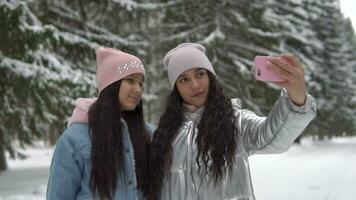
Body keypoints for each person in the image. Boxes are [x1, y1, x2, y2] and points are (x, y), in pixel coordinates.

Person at [149, 43, 317, 200]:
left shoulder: (236, 122)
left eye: (200, 74)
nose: (194, 85)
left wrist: (296, 97)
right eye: (183, 79)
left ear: (210, 77)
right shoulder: (164, 134)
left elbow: (274, 137)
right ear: (176, 88)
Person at [47, 47, 154, 200]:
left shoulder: (149, 134)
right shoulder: (75, 140)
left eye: (141, 83)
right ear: (110, 85)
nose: (138, 89)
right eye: (130, 80)